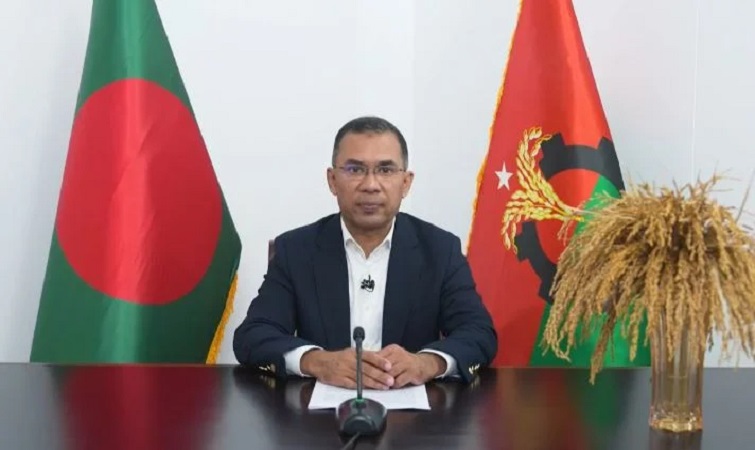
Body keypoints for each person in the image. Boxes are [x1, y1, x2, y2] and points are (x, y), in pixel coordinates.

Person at [233, 116, 497, 389]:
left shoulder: (440, 250)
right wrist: (318, 362)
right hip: (320, 411)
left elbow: (479, 333)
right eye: (355, 169)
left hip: (412, 411)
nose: (371, 184)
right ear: (332, 180)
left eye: (385, 170)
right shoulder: (296, 250)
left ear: (406, 182)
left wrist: (427, 363)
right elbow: (253, 335)